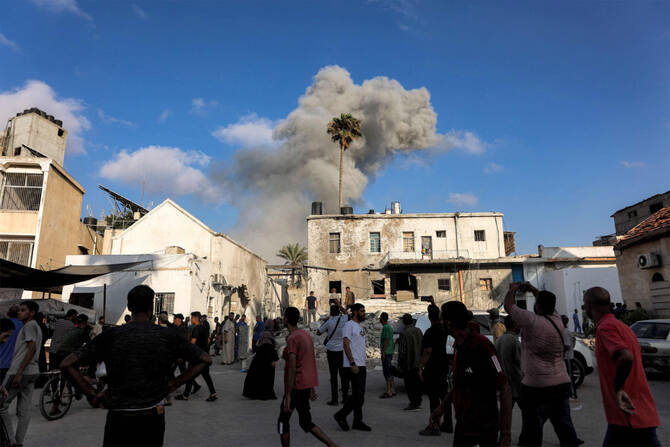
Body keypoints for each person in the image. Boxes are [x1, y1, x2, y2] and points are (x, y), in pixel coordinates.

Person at [61, 285, 210, 446]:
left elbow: (67, 363)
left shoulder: (111, 335)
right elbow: (205, 359)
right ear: (151, 307)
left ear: (129, 307)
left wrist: (91, 393)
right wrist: (174, 384)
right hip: (152, 417)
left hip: (118, 417)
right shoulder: (167, 335)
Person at [504, 282, 582, 447]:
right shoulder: (557, 319)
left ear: (538, 306)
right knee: (564, 425)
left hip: (536, 385)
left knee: (532, 429)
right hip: (561, 382)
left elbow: (509, 306)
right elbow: (545, 300)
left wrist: (513, 289)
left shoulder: (531, 320)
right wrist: (533, 289)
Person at [583, 287, 661, 446]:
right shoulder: (622, 326)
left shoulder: (606, 327)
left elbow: (626, 357)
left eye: (584, 305)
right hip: (631, 413)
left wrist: (618, 389)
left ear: (589, 305)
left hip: (628, 414)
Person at [430, 301, 512, 447]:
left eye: (442, 320)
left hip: (484, 428)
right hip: (464, 425)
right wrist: (441, 408)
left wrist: (505, 434)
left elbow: (504, 387)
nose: (439, 323)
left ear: (449, 323)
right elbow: (460, 383)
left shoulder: (482, 345)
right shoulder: (458, 345)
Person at [277, 307, 337, 447]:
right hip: (304, 386)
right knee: (305, 422)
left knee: (282, 421)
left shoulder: (293, 338)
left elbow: (292, 367)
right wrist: (311, 387)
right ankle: (332, 445)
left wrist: (288, 395)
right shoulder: (305, 335)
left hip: (296, 386)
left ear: (286, 319)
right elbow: (308, 362)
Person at [0, 301, 42, 447]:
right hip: (33, 371)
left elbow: (32, 348)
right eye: (19, 310)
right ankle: (18, 442)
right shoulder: (36, 326)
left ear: (32, 313)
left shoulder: (29, 326)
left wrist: (18, 373)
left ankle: (11, 441)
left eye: (23, 310)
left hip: (20, 371)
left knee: (2, 405)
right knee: (24, 410)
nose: (19, 312)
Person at [334, 303, 371, 432]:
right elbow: (346, 344)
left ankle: (357, 421)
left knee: (359, 395)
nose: (364, 313)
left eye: (364, 310)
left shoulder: (359, 326)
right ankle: (341, 415)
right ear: (355, 312)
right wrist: (352, 363)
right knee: (358, 394)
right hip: (353, 365)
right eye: (362, 311)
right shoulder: (348, 325)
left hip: (361, 364)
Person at [418, 304, 452, 436]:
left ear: (429, 317)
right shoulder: (443, 330)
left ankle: (434, 425)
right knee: (444, 396)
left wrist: (421, 367)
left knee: (434, 398)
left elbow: (428, 351)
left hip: (433, 368)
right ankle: (448, 424)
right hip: (443, 366)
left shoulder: (430, 332)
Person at [175, 312, 217, 402]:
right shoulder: (204, 328)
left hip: (197, 356)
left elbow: (192, 343)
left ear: (195, 318)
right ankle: (213, 393)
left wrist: (185, 353)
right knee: (206, 375)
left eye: (192, 318)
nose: (191, 320)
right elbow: (208, 341)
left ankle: (185, 395)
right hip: (204, 355)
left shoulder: (196, 329)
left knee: (190, 374)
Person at [317, 305, 349, 405]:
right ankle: (345, 398)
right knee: (343, 375)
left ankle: (334, 399)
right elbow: (347, 313)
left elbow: (318, 332)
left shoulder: (329, 322)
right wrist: (340, 305)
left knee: (333, 375)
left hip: (331, 350)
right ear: (339, 312)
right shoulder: (344, 319)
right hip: (342, 350)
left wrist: (326, 321)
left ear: (331, 312)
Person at [243, 320, 279, 400]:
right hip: (267, 357)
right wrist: (273, 358)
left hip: (260, 357)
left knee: (260, 375)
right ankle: (264, 393)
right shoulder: (268, 334)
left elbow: (260, 344)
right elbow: (269, 346)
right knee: (266, 376)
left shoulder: (265, 333)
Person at [495, 315, 523, 406]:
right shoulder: (515, 341)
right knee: (527, 411)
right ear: (514, 325)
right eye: (518, 323)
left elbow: (495, 362)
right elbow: (521, 364)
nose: (520, 326)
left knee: (505, 411)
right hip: (516, 384)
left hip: (504, 384)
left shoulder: (498, 341)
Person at [398, 313, 423, 411]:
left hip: (408, 363)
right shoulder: (419, 331)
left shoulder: (404, 333)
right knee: (417, 383)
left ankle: (414, 404)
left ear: (404, 322)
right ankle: (418, 401)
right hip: (418, 362)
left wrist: (400, 364)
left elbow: (402, 351)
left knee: (409, 384)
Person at [378, 312, 395, 399]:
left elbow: (386, 340)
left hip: (387, 352)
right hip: (390, 351)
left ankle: (389, 391)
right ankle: (392, 389)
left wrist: (383, 352)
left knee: (387, 371)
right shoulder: (389, 327)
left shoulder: (385, 327)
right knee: (390, 371)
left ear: (381, 318)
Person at [561, 315, 578, 401]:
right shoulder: (567, 331)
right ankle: (571, 394)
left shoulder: (564, 332)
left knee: (569, 376)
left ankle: (573, 395)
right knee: (568, 376)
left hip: (567, 357)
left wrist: (561, 351)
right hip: (569, 356)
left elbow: (567, 346)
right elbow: (573, 340)